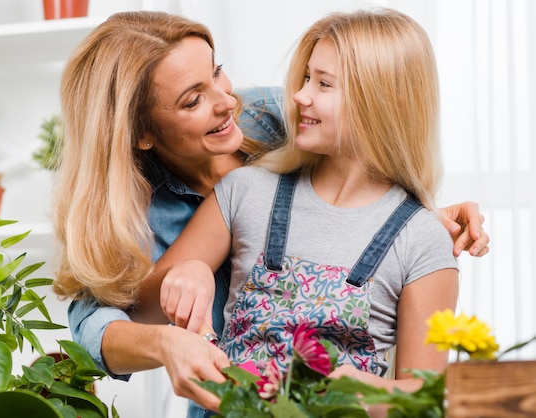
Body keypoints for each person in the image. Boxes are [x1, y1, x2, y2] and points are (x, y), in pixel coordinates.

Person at [51, 10, 489, 414]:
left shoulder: (280, 118)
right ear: (142, 132)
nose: (229, 102)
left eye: (217, 71)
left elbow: (427, 398)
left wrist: (420, 221)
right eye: (192, 101)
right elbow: (106, 317)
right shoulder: (237, 191)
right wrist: (183, 282)